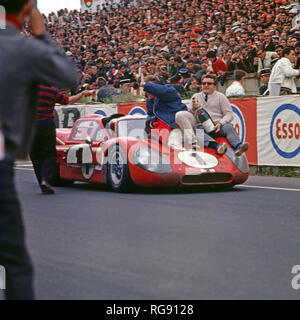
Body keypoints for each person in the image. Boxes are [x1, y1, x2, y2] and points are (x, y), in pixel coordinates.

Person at [0, 0, 78, 300]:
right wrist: (41, 34)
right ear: (27, 10)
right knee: (15, 262)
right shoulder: (23, 49)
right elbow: (69, 77)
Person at [30, 86, 91, 195]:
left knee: (35, 155)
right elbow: (67, 101)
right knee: (50, 154)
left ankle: (41, 181)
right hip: (46, 125)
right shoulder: (51, 91)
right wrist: (81, 94)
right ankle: (46, 180)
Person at [176, 74, 249, 157]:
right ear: (201, 85)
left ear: (214, 86)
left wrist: (221, 123)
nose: (206, 85)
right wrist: (193, 108)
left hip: (217, 126)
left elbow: (229, 114)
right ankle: (217, 146)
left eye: (209, 83)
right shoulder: (195, 96)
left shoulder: (221, 97)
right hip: (201, 127)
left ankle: (238, 146)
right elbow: (189, 114)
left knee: (228, 127)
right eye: (204, 83)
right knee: (196, 130)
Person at [143, 76, 187, 143]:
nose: (148, 92)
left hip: (177, 127)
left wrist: (145, 84)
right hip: (162, 130)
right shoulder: (149, 101)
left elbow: (163, 91)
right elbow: (150, 115)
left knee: (173, 144)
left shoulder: (169, 92)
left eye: (150, 89)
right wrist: (150, 123)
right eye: (146, 90)